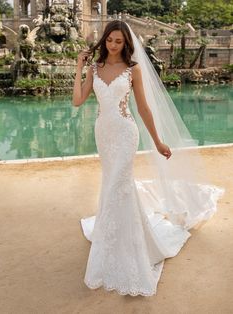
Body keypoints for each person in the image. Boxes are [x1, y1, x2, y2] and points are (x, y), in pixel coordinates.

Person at [72, 20, 223, 296]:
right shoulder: (95, 69)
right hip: (103, 134)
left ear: (126, 43)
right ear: (104, 40)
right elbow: (78, 100)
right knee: (111, 186)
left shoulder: (133, 69)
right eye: (109, 40)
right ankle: (113, 238)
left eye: (119, 41)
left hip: (125, 134)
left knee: (119, 184)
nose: (113, 45)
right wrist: (79, 68)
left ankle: (129, 248)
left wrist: (157, 141)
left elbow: (143, 108)